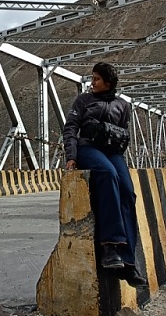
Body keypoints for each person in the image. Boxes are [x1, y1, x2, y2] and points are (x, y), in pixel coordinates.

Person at [63, 62, 147, 287]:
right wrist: (71, 156)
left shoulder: (123, 105)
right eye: (92, 78)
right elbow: (71, 127)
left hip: (111, 151)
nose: (92, 82)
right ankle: (110, 246)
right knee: (108, 175)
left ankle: (129, 262)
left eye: (97, 79)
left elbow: (123, 132)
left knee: (128, 192)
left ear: (108, 82)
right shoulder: (83, 101)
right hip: (87, 148)